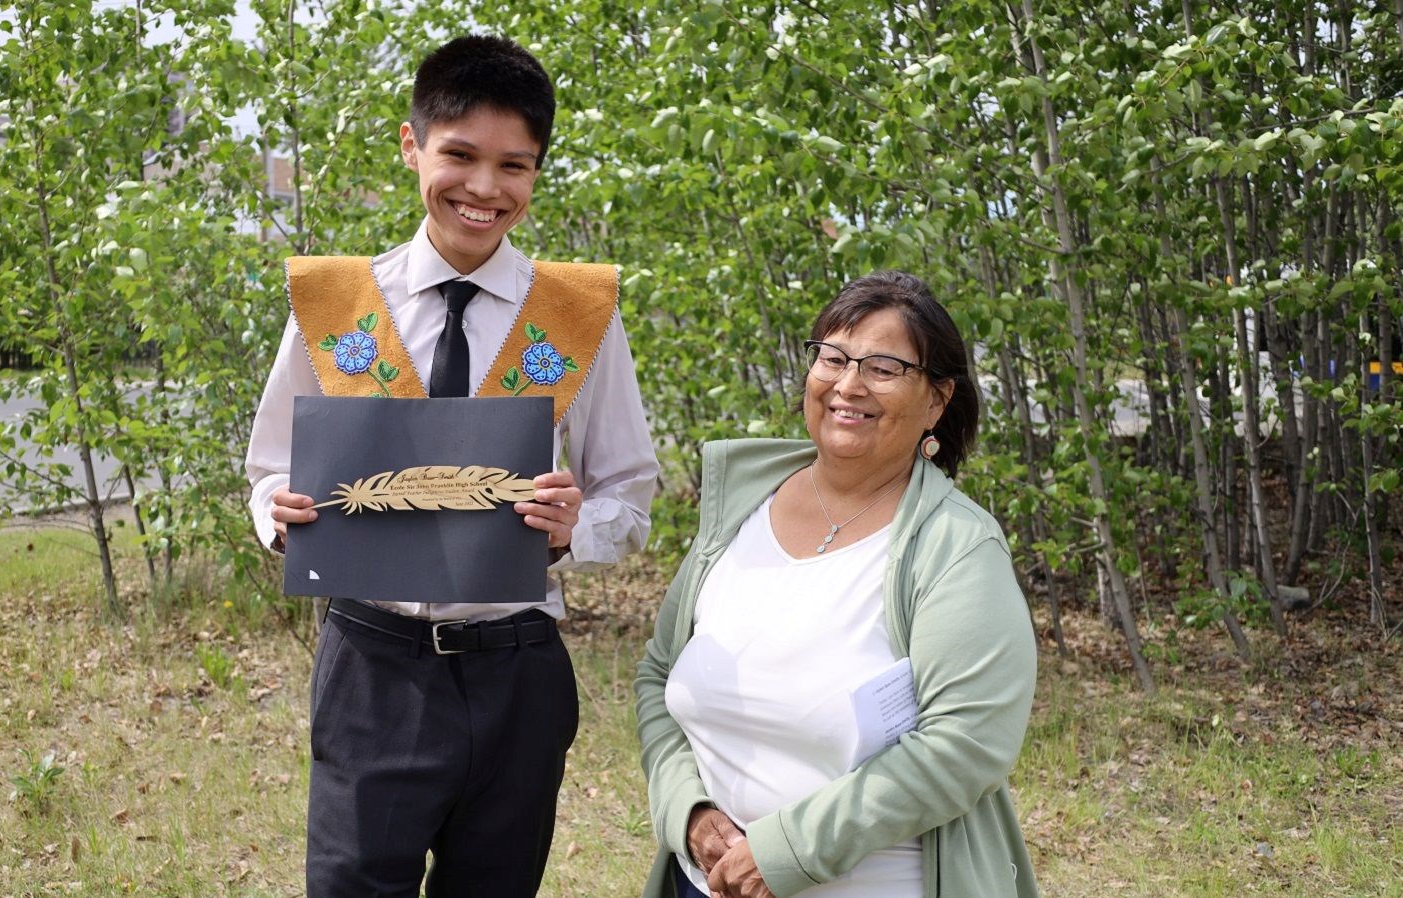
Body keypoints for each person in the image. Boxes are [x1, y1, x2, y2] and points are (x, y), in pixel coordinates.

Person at [244, 34, 658, 898]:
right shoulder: (337, 302)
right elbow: (268, 467)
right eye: (460, 155)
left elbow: (630, 494)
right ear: (412, 147)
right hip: (371, 662)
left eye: (514, 165)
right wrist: (272, 512)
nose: (484, 188)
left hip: (517, 671)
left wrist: (576, 530)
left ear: (537, 172)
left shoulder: (580, 315)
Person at [635, 271, 1038, 898]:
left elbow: (966, 746)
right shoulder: (740, 509)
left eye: (883, 367)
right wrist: (688, 810)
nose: (848, 385)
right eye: (833, 357)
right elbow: (658, 677)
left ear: (936, 400)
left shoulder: (957, 547)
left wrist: (784, 852)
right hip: (704, 882)